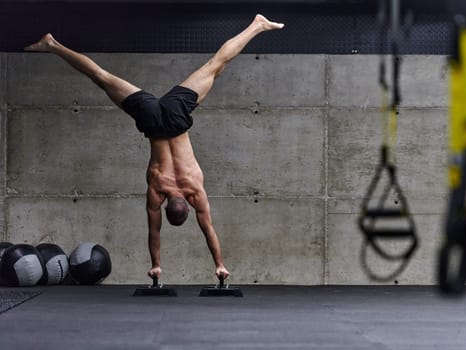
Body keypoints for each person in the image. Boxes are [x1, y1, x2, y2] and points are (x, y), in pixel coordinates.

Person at [25, 14, 285, 282]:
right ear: (167, 204)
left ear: (186, 203)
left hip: (176, 116)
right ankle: (53, 45)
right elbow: (155, 231)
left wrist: (220, 264)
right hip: (152, 121)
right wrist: (155, 265)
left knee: (215, 65)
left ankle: (257, 25)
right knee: (101, 77)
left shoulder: (194, 191)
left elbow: (207, 228)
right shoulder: (157, 191)